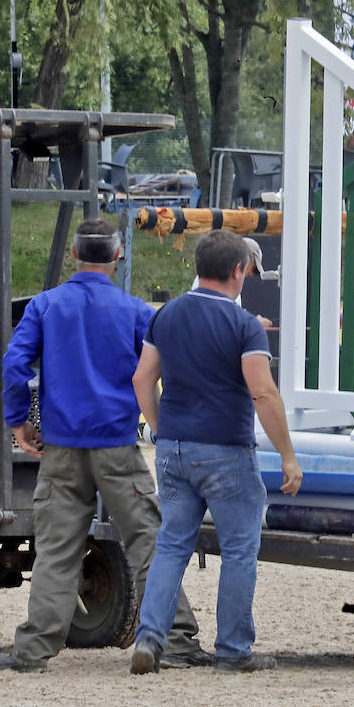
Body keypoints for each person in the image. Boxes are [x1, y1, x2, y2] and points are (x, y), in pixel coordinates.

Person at [0, 220, 213, 673]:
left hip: (60, 449)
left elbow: (14, 366)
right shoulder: (135, 311)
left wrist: (19, 423)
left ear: (74, 254)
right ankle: (174, 640)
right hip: (117, 447)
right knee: (149, 542)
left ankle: (32, 651)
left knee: (56, 549)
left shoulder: (46, 306)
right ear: (118, 256)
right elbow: (162, 371)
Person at [130, 229, 302, 675]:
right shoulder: (244, 326)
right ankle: (232, 649)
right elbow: (262, 393)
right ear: (238, 271)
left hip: (174, 448)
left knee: (170, 546)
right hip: (226, 448)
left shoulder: (166, 315)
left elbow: (142, 379)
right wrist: (287, 455)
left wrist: (160, 428)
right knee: (240, 549)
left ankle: (150, 638)